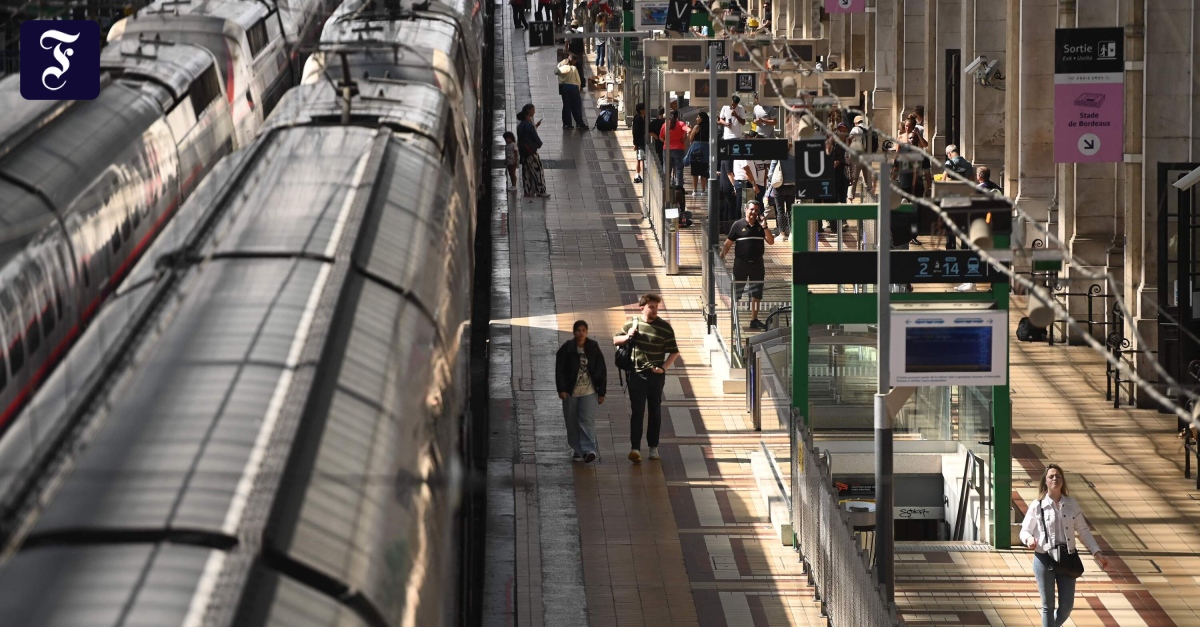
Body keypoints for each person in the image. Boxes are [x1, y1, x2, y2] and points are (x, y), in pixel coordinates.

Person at [1020, 464, 1111, 627]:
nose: (1055, 478)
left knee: (1067, 607)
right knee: (1048, 606)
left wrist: (1097, 552)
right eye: (1051, 476)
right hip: (1044, 559)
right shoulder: (1037, 505)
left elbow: (1083, 530)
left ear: (1063, 481)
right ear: (1045, 481)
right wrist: (1029, 540)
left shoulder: (1071, 504)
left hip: (1067, 558)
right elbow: (1025, 530)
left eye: (1058, 476)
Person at [613, 293, 679, 464]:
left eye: (656, 307)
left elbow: (674, 351)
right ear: (642, 307)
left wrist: (663, 368)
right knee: (637, 412)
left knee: (655, 412)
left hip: (656, 376)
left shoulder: (664, 327)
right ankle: (635, 448)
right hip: (637, 374)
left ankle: (653, 447)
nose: (655, 310)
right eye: (651, 307)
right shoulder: (632, 323)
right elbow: (615, 339)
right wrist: (628, 336)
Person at [556, 320, 606, 463]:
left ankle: (589, 449)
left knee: (586, 420)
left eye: (584, 330)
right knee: (571, 421)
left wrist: (601, 392)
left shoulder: (593, 347)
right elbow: (559, 370)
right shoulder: (567, 349)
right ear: (574, 332)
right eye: (578, 330)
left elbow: (601, 370)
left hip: (589, 391)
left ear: (587, 332)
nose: (581, 333)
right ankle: (577, 450)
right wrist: (562, 389)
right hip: (571, 392)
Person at [720, 200, 775, 329]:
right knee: (737, 293)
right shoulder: (737, 225)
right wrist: (721, 258)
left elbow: (771, 241)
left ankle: (754, 319)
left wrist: (765, 227)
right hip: (741, 264)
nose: (754, 212)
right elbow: (728, 243)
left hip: (757, 264)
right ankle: (734, 319)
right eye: (751, 209)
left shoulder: (761, 226)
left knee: (757, 294)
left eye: (756, 210)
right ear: (746, 209)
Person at [517, 104, 550, 197]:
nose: (534, 112)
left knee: (526, 172)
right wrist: (538, 144)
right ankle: (541, 191)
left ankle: (528, 191)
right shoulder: (529, 125)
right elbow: (536, 139)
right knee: (538, 171)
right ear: (529, 111)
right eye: (533, 110)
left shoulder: (520, 125)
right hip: (531, 152)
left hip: (524, 152)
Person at [767, 152, 796, 239]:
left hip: (779, 186)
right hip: (792, 186)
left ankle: (782, 233)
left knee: (780, 210)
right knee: (790, 210)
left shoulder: (776, 158)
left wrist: (770, 184)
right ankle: (791, 233)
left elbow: (771, 174)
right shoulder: (793, 158)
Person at [556, 55, 589, 130]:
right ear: (573, 61)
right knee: (576, 106)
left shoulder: (562, 68)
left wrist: (560, 64)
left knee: (566, 106)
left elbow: (555, 71)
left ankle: (567, 124)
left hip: (565, 88)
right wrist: (579, 88)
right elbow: (578, 80)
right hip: (573, 88)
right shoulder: (574, 68)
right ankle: (579, 123)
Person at [660, 109, 690, 189]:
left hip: (667, 149)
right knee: (679, 168)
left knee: (667, 168)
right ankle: (679, 187)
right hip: (679, 149)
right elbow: (689, 130)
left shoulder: (665, 125)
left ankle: (666, 186)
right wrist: (685, 138)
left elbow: (661, 138)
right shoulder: (681, 124)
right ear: (677, 116)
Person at [687, 111, 710, 196]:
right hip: (705, 151)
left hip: (696, 152)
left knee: (695, 172)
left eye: (698, 117)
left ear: (702, 119)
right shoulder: (709, 128)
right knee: (703, 172)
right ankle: (703, 190)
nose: (696, 119)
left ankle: (695, 190)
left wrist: (689, 133)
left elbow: (691, 138)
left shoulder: (697, 127)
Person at [632, 103, 646, 183]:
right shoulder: (638, 119)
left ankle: (639, 174)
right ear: (641, 111)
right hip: (640, 142)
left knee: (640, 158)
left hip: (641, 141)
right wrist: (636, 144)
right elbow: (635, 132)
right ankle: (638, 174)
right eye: (644, 109)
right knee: (640, 158)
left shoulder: (642, 118)